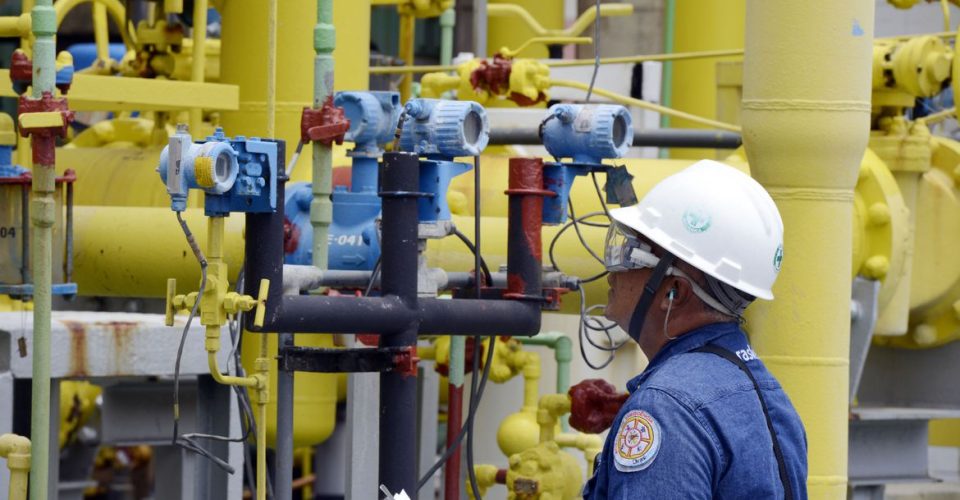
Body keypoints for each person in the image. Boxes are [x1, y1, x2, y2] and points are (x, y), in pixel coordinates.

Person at [580, 159, 807, 499]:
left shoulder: (666, 408)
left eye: (631, 255)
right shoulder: (769, 394)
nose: (614, 273)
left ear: (674, 293)